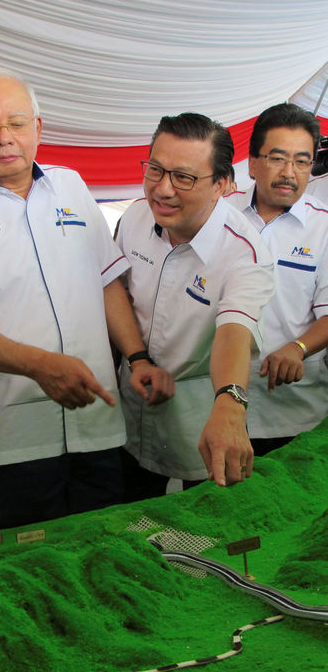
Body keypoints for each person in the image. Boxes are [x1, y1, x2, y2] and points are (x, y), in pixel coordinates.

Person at [0, 67, 174, 530]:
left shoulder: (71, 186)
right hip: (13, 440)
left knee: (106, 552)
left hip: (97, 423)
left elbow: (107, 282)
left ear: (38, 128)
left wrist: (137, 357)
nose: (4, 138)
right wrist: (39, 365)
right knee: (29, 571)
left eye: (16, 123)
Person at [115, 112, 274, 495]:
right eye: (155, 170)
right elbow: (115, 291)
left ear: (221, 185)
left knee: (203, 522)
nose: (163, 189)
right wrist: (137, 357)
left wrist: (231, 401)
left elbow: (234, 332)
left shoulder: (244, 250)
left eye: (183, 177)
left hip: (200, 414)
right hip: (129, 403)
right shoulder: (135, 218)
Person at [226, 103, 328, 455]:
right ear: (253, 163)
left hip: (290, 412)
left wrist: (298, 347)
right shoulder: (220, 212)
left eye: (302, 161)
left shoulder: (324, 227)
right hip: (217, 403)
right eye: (278, 158)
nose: (290, 172)